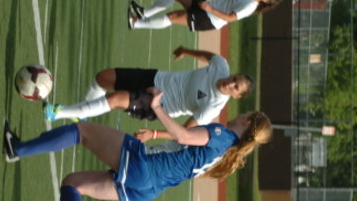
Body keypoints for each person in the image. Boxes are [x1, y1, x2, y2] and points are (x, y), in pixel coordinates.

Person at [3, 89, 272, 201]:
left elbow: (183, 136)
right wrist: (155, 134)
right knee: (73, 184)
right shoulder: (229, 153)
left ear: (248, 121)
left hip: (143, 165)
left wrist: (157, 107)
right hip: (149, 187)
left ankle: (17, 149)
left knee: (82, 131)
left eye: (246, 113)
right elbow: (182, 148)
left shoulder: (222, 135)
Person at [44, 46, 254, 141]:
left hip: (158, 103)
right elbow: (209, 56)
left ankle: (57, 112)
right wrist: (186, 51)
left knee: (115, 99)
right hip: (155, 77)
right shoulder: (221, 65)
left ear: (236, 96)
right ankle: (81, 113)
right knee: (102, 77)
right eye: (235, 79)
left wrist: (154, 134)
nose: (231, 83)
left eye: (236, 87)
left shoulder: (213, 107)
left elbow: (184, 132)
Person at [128, 0, 283, 32]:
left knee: (174, 16)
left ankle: (136, 23)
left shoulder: (250, 6)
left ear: (265, 2)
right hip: (208, 5)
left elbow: (230, 18)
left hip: (210, 18)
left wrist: (210, 9)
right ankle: (144, 13)